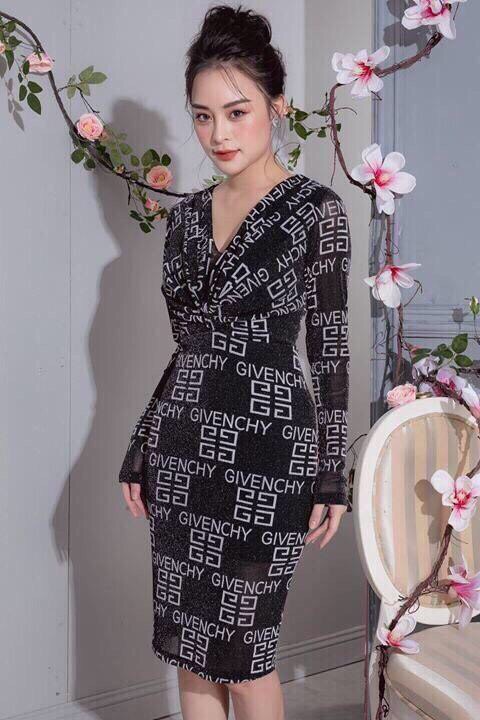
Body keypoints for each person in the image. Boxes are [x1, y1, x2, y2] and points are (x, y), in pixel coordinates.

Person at [118, 4, 351, 719]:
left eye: (237, 112)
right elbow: (188, 349)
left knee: (246, 658)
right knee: (193, 655)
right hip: (183, 452)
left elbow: (331, 349)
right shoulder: (185, 219)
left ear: (276, 107)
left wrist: (332, 471)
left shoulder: (316, 211)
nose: (218, 134)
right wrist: (141, 445)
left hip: (268, 453)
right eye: (202, 116)